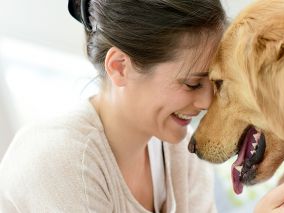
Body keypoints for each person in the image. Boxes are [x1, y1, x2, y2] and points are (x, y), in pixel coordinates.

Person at [0, 0, 225, 212]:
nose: (207, 102)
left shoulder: (183, 155)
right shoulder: (61, 161)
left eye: (215, 82)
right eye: (192, 84)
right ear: (119, 67)